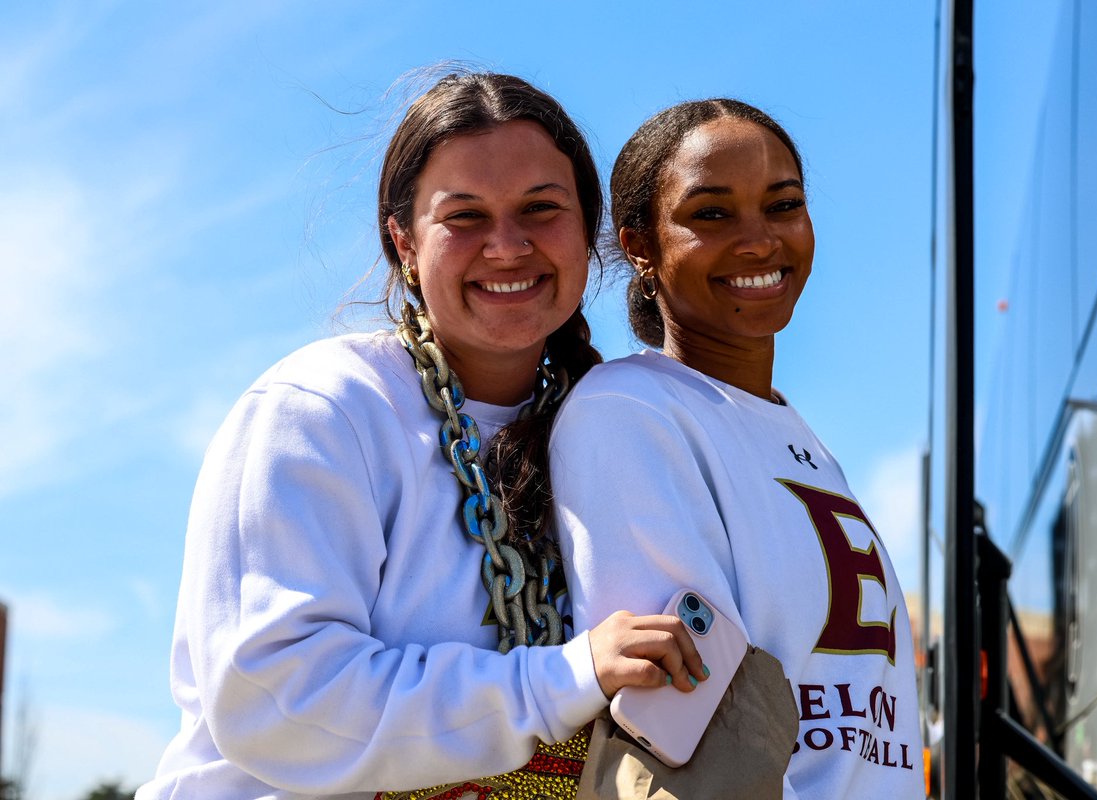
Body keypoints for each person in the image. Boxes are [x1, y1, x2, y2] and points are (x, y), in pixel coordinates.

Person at [137, 72, 705, 800]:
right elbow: (278, 705)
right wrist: (568, 675)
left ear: (587, 234)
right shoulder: (321, 410)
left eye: (541, 208)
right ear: (403, 240)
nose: (507, 246)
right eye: (464, 216)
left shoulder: (620, 434)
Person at [549, 99, 925, 798]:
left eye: (782, 205)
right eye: (712, 214)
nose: (758, 241)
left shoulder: (798, 436)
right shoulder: (629, 413)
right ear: (640, 247)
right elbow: (684, 717)